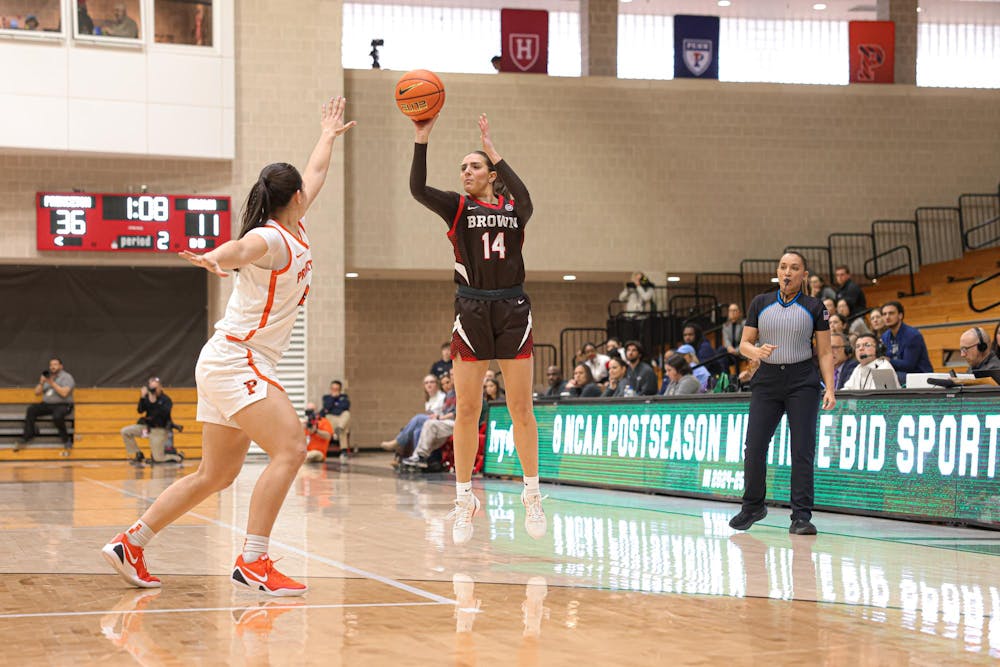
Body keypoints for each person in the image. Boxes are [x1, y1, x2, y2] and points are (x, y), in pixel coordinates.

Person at [100, 96, 356, 596]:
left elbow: (316, 171)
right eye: (305, 187)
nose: (311, 186)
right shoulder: (271, 237)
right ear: (296, 195)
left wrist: (327, 133)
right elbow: (241, 249)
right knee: (291, 448)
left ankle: (132, 543)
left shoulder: (294, 225)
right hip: (239, 359)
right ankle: (254, 561)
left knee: (215, 474)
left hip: (225, 360)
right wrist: (215, 257)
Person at [409, 111, 544, 544]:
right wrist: (421, 139)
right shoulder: (456, 205)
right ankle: (464, 497)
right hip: (471, 309)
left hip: (512, 308)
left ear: (490, 173)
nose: (466, 172)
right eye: (463, 168)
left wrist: (493, 150)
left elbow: (526, 197)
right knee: (466, 409)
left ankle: (532, 493)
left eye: (474, 166)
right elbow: (416, 188)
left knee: (521, 408)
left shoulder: (512, 208)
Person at [729, 251, 835, 536]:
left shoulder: (815, 307)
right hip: (767, 380)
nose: (788, 273)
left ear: (804, 275)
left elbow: (824, 352)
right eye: (783, 267)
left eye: (794, 268)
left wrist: (831, 388)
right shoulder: (760, 303)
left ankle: (801, 516)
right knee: (754, 447)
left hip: (802, 380)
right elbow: (744, 344)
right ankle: (753, 505)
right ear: (778, 272)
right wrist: (757, 351)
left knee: (801, 450)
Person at [16, 357, 75, 452]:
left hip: (63, 404)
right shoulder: (48, 377)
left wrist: (52, 383)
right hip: (47, 404)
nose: (52, 367)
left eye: (55, 364)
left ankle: (66, 439)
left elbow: (64, 393)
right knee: (31, 409)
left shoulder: (67, 377)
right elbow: (37, 392)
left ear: (61, 366)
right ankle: (28, 435)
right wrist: (41, 382)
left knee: (57, 416)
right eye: (51, 365)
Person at [120, 377, 182, 465]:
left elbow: (162, 415)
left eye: (155, 388)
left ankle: (178, 456)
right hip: (147, 428)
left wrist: (154, 402)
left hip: (159, 430)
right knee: (125, 431)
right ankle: (138, 454)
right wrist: (142, 398)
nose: (153, 390)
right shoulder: (147, 398)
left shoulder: (166, 400)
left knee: (158, 458)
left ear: (160, 387)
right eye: (151, 388)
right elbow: (140, 410)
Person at [402, 372, 457, 467]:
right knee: (420, 430)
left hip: (458, 423)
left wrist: (439, 417)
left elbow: (456, 413)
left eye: (453, 375)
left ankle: (420, 456)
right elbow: (445, 412)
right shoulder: (449, 394)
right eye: (451, 375)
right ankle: (422, 459)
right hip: (446, 424)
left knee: (427, 422)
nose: (452, 377)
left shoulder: (461, 392)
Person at [379, 375, 446, 453]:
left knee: (418, 418)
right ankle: (417, 458)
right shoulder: (429, 400)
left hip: (441, 424)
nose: (429, 384)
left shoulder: (443, 397)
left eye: (432, 382)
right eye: (426, 383)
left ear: (437, 384)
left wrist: (437, 417)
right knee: (417, 430)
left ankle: (397, 442)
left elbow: (446, 414)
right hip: (431, 424)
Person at [880, 301, 932, 386]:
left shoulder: (912, 335)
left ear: (900, 315)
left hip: (920, 376)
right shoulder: (885, 336)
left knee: (891, 377)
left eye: (891, 313)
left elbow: (909, 365)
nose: (887, 317)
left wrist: (888, 361)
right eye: (884, 314)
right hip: (900, 375)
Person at [319, 380, 351, 454]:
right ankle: (344, 450)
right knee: (344, 427)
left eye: (336, 389)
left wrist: (334, 408)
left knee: (346, 414)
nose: (334, 391)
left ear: (340, 390)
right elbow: (327, 407)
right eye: (333, 389)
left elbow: (345, 407)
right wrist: (333, 399)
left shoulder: (344, 397)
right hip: (331, 419)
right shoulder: (326, 397)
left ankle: (339, 429)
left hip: (341, 419)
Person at [722, 303, 745, 373]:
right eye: (730, 311)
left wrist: (736, 351)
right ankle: (726, 375)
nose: (732, 313)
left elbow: (745, 340)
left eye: (734, 310)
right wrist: (729, 348)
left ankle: (736, 377)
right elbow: (726, 340)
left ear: (739, 312)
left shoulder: (744, 324)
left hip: (741, 351)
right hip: (731, 352)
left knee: (731, 356)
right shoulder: (725, 325)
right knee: (721, 351)